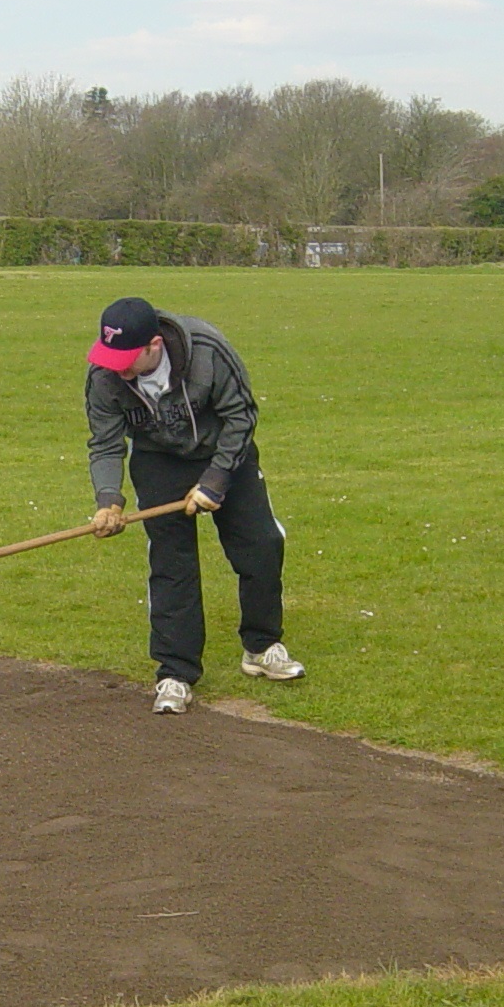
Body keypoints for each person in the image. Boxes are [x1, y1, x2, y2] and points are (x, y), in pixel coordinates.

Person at [84, 296, 303, 714]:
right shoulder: (104, 376)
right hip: (159, 462)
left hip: (224, 451)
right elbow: (106, 444)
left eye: (128, 357)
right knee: (172, 563)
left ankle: (261, 646)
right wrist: (108, 501)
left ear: (154, 344)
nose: (118, 367)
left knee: (261, 544)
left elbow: (241, 416)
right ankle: (175, 673)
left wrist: (215, 482)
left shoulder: (207, 350)